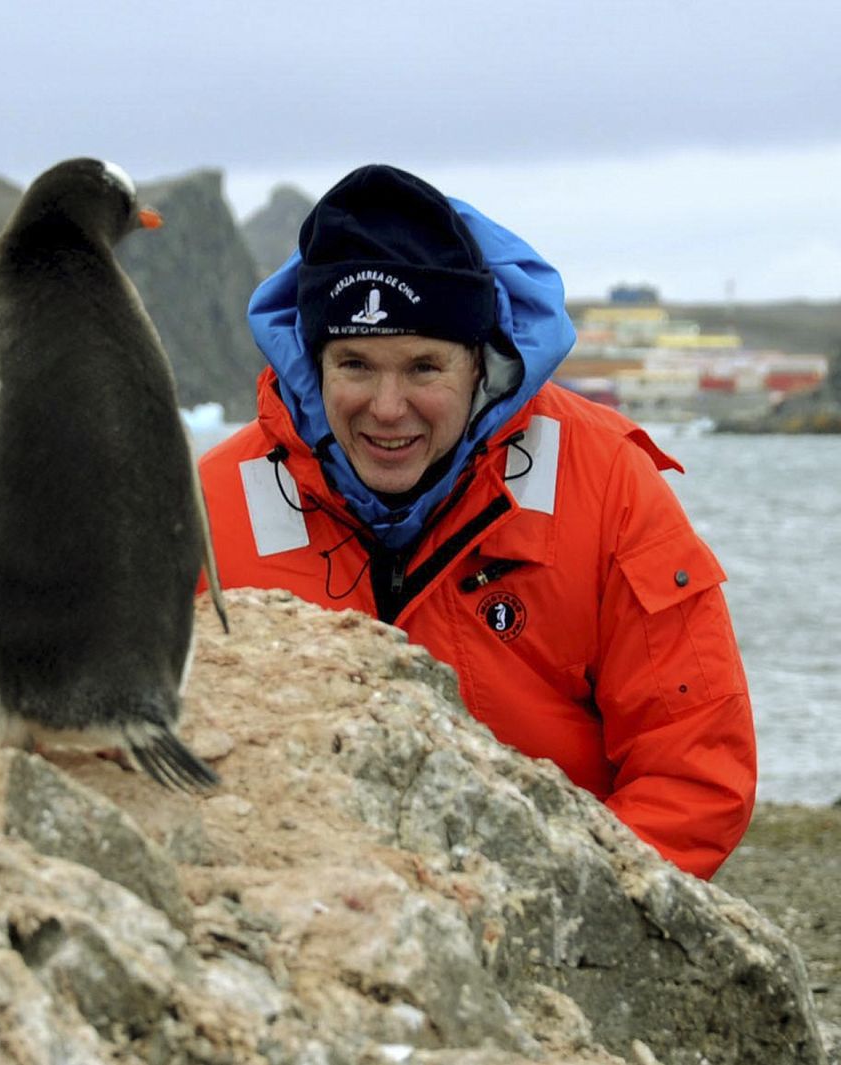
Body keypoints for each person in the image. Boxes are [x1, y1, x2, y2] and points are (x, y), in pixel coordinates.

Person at [198, 164, 755, 879]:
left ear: (481, 363)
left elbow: (694, 764)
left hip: (549, 915)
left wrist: (557, 919)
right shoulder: (212, 507)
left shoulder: (606, 484)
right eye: (356, 364)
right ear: (311, 362)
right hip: (299, 918)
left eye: (424, 367)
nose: (388, 406)